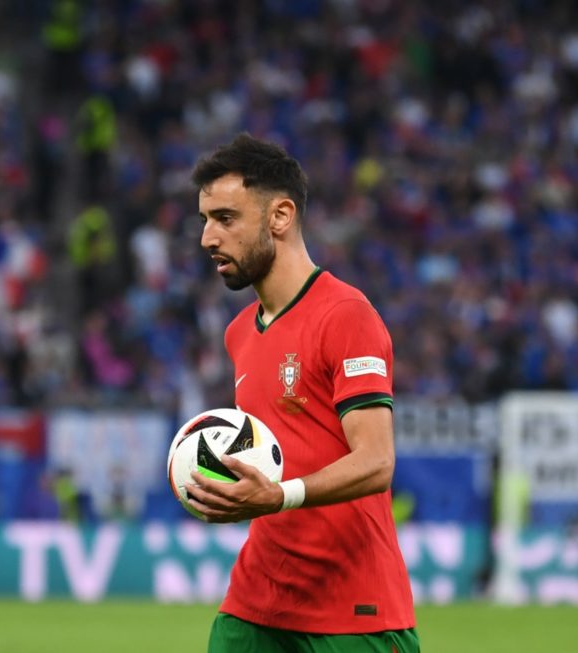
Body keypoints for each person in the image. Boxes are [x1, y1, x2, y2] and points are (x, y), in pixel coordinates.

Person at [187, 134, 419, 652]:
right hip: (256, 605)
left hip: (352, 611)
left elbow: (377, 461)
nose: (207, 238)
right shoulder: (240, 332)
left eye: (225, 218)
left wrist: (279, 495)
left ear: (280, 216)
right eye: (204, 220)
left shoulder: (345, 316)